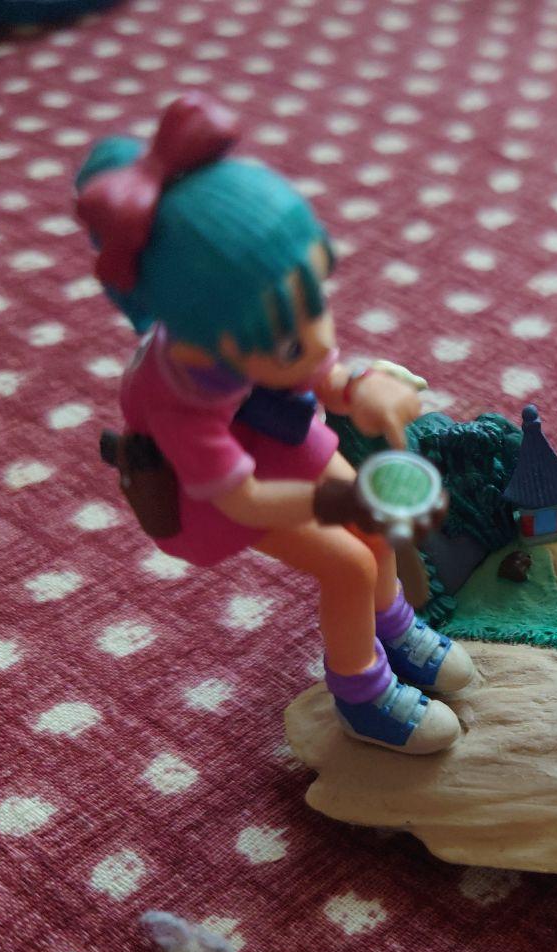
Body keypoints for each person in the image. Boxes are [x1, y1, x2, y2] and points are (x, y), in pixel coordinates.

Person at [76, 93, 473, 755]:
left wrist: (358, 385)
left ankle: (393, 625)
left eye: (317, 301)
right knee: (347, 562)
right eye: (290, 337)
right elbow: (245, 499)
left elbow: (315, 366)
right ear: (202, 341)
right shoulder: (178, 398)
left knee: (374, 532)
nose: (321, 338)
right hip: (211, 492)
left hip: (273, 432)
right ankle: (363, 694)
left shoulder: (238, 335)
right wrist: (340, 498)